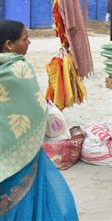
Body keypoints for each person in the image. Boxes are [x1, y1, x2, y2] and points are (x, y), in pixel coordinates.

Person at [0, 20, 78, 220]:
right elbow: (34, 109)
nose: (29, 43)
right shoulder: (19, 68)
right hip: (20, 151)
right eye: (25, 39)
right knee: (25, 198)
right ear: (9, 44)